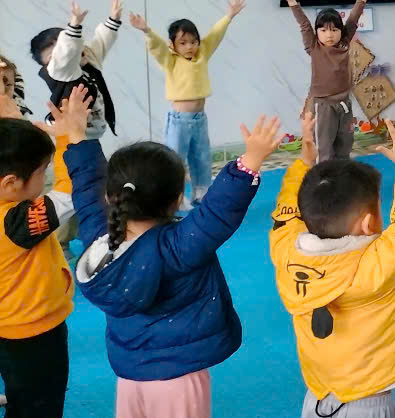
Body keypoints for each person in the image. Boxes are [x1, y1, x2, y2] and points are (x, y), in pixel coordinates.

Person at [55, 85, 280, 417]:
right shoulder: (179, 247)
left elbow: (87, 190)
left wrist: (76, 137)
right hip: (180, 378)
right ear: (176, 200)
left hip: (129, 373)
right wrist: (251, 161)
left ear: (111, 196)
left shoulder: (97, 239)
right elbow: (218, 211)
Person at [270, 111, 395, 417]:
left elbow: (285, 213)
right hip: (370, 403)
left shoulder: (286, 253)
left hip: (317, 397)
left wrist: (303, 163)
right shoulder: (376, 266)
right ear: (369, 223)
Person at [130, 0, 245, 208]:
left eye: (193, 42)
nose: (190, 47)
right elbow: (157, 47)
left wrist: (229, 16)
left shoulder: (202, 55)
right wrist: (146, 30)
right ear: (173, 45)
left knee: (202, 157)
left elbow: (215, 35)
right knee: (175, 160)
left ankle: (202, 192)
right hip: (179, 121)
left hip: (200, 118)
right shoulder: (170, 60)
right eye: (183, 43)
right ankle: (175, 196)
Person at [0, 112, 74, 418]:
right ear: (10, 183)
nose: (46, 179)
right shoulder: (16, 223)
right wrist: (68, 139)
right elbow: (68, 194)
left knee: (21, 393)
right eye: (43, 172)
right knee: (38, 406)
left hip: (9, 327)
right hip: (33, 334)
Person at [276, 0, 375, 161]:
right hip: (323, 105)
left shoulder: (344, 42)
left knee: (345, 144)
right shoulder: (313, 46)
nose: (329, 35)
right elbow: (304, 24)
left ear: (341, 31)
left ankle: (341, 172)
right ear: (317, 32)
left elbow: (352, 20)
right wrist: (291, 1)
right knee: (324, 147)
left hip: (344, 103)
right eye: (323, 30)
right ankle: (324, 175)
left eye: (334, 30)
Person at [29, 0, 124, 139]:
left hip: (88, 134)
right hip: (68, 135)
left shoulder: (86, 61)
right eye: (53, 56)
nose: (63, 54)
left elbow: (101, 43)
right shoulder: (62, 72)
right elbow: (65, 57)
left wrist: (113, 20)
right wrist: (73, 26)